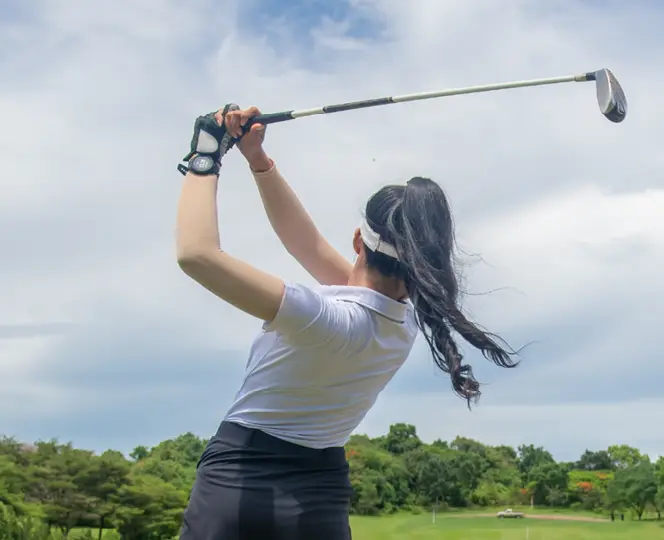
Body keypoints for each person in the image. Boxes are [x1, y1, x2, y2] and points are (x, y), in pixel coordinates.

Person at [174, 104, 518, 539]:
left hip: (240, 480)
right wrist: (258, 161)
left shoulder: (320, 316)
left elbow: (196, 255)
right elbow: (307, 244)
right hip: (319, 499)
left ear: (359, 239)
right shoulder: (403, 325)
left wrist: (205, 155)